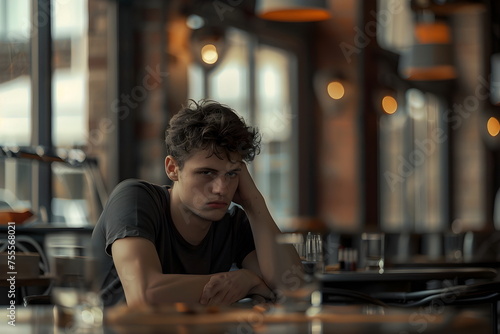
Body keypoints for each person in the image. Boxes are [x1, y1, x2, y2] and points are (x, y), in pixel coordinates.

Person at [91, 99, 302, 307]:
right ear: (173, 168)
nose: (221, 188)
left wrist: (254, 202)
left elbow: (291, 289)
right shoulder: (135, 199)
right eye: (206, 172)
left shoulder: (232, 222)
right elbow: (145, 295)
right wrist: (245, 282)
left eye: (231, 174)